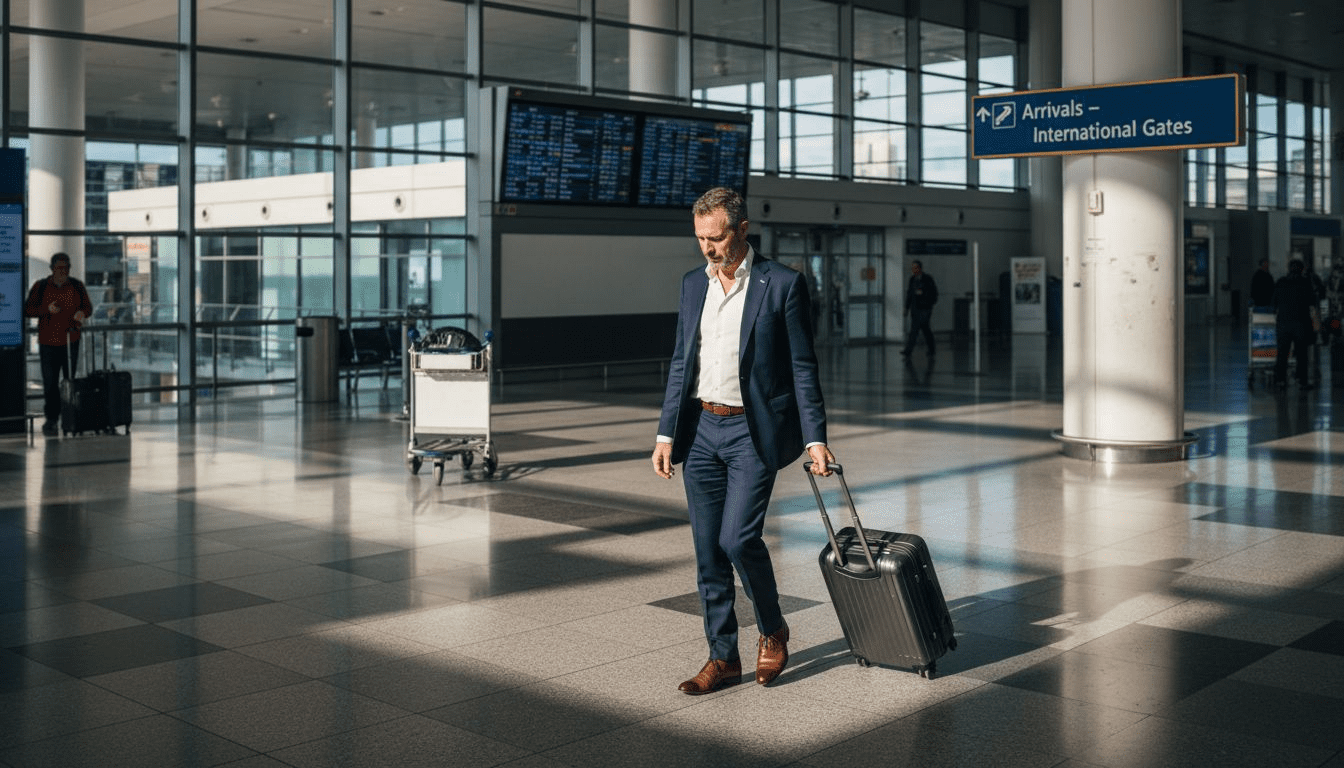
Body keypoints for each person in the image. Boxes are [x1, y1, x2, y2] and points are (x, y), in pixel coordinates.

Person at [653, 187, 835, 695]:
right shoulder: (694, 285)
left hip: (751, 432)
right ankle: (722, 656)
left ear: (742, 229)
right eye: (700, 239)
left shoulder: (782, 285)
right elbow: (680, 363)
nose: (708, 248)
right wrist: (666, 431)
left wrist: (815, 438)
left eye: (716, 238)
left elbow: (802, 367)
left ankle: (773, 628)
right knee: (708, 551)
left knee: (737, 538)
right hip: (700, 428)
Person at [24, 252, 93, 435]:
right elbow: (28, 309)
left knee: (69, 382)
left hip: (71, 341)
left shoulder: (77, 286)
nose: (63, 272)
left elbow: (88, 307)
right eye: (59, 268)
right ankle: (52, 419)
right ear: (52, 269)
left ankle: (70, 417)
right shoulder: (41, 287)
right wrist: (46, 310)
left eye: (66, 268)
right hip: (48, 343)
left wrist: (82, 314)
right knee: (50, 383)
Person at [1272, 258, 1317, 391]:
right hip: (1300, 324)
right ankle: (1301, 380)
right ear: (1302, 269)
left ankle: (1280, 380)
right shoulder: (1305, 283)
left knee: (1282, 353)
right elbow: (1312, 302)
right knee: (1302, 354)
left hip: (1283, 324)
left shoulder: (1281, 282)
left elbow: (1273, 302)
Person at [901, 260, 938, 357]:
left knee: (916, 329)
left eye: (915, 268)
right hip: (915, 309)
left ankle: (909, 350)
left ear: (920, 268)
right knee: (924, 329)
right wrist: (906, 308)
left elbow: (933, 294)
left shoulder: (928, 279)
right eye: (912, 268)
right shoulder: (912, 279)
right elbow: (909, 295)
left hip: (925, 309)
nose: (913, 270)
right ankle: (931, 349)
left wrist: (926, 299)